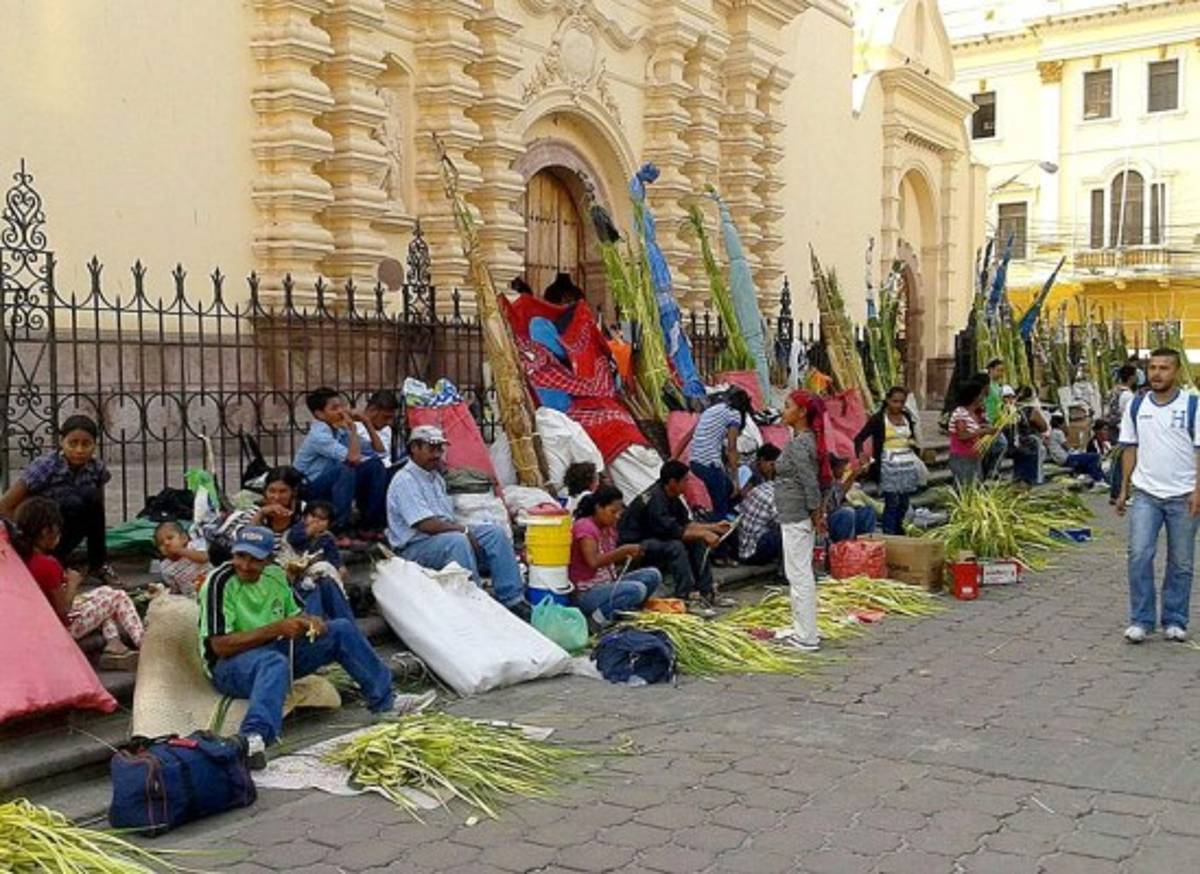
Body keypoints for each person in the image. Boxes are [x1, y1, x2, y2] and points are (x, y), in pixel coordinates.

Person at [199, 526, 428, 769]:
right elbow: (220, 646)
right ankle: (254, 740)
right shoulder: (220, 582)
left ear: (268, 559)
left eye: (255, 559)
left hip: (276, 652)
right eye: (240, 556)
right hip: (230, 667)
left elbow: (297, 613)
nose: (245, 565)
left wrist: (310, 623)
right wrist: (276, 629)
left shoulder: (275, 575)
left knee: (340, 629)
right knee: (273, 662)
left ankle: (386, 703)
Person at [386, 425, 531, 620]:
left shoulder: (435, 478)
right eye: (432, 449)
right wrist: (463, 530)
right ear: (414, 448)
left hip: (441, 538)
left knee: (494, 533)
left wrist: (465, 529)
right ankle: (476, 603)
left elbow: (448, 518)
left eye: (440, 449)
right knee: (457, 540)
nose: (437, 454)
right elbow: (425, 525)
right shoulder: (405, 480)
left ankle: (513, 599)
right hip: (414, 547)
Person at [1116, 348, 1200, 644]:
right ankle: (1141, 619)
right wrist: (1124, 489)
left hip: (1184, 496)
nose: (1157, 373)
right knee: (1139, 555)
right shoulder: (1137, 406)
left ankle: (1175, 619)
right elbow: (1130, 447)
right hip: (1146, 494)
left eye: (1164, 368)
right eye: (1152, 367)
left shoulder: (1193, 404)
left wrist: (1197, 492)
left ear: (1176, 372)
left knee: (1182, 561)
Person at [15, 497, 144, 669]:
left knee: (105, 593)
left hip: (37, 623)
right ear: (46, 531)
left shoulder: (21, 558)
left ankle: (114, 646)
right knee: (118, 597)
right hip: (58, 629)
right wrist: (73, 583)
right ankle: (145, 645)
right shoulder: (47, 565)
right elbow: (64, 611)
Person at [0, 414, 119, 585]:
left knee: (90, 498)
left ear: (94, 445)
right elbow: (5, 506)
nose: (79, 450)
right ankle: (49, 562)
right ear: (62, 443)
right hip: (39, 532)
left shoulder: (96, 468)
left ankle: (98, 564)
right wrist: (24, 542)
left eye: (86, 444)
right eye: (73, 443)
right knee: (71, 502)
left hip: (66, 531)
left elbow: (96, 510)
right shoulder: (46, 466)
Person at [617, 460, 731, 614]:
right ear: (672, 482)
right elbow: (676, 532)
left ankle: (707, 591)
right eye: (685, 481)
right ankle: (685, 596)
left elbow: (685, 524)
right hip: (636, 544)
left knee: (697, 540)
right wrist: (705, 533)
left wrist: (714, 527)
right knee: (675, 547)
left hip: (657, 537)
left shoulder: (672, 496)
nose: (687, 484)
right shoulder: (656, 500)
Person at [776, 390, 828, 652]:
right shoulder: (804, 440)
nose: (783, 411)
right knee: (798, 572)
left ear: (802, 413)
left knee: (799, 575)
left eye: (787, 406)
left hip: (796, 513)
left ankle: (806, 636)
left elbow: (809, 480)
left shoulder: (800, 444)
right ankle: (804, 627)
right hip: (795, 512)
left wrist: (816, 512)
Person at [294, 387, 386, 535]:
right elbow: (353, 459)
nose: (342, 411)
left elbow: (379, 451)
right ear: (319, 414)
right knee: (345, 469)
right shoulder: (319, 435)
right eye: (335, 408)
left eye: (342, 406)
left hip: (331, 484)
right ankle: (340, 527)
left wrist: (366, 421)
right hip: (309, 488)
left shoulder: (339, 430)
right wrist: (354, 429)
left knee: (375, 465)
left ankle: (370, 523)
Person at [568, 485, 661, 626]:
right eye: (613, 512)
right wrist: (623, 551)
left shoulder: (608, 527)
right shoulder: (585, 527)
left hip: (608, 583)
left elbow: (610, 559)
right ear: (599, 508)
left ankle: (624, 611)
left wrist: (629, 555)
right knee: (637, 589)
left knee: (653, 575)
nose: (617, 517)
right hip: (586, 592)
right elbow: (593, 561)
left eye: (619, 513)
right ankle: (595, 621)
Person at [204, 466, 305, 566]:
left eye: (283, 491)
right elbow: (243, 542)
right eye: (272, 491)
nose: (276, 497)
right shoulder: (256, 510)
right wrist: (261, 514)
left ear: (294, 491)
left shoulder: (304, 513)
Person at [854, 386, 921, 535]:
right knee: (892, 502)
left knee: (904, 503)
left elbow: (912, 438)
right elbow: (859, 439)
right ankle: (889, 534)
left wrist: (913, 444)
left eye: (901, 402)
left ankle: (899, 529)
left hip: (907, 465)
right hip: (887, 466)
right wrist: (861, 455)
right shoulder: (878, 419)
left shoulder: (907, 417)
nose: (898, 405)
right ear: (888, 400)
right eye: (895, 401)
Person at [283, 499, 356, 624]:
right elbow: (294, 539)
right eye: (312, 516)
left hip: (315, 574)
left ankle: (344, 619)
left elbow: (334, 557)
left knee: (326, 572)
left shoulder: (327, 538)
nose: (316, 521)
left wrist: (340, 567)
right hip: (293, 573)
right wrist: (309, 531)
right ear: (304, 517)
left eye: (322, 519)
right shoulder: (297, 530)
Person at [689, 389, 752, 521]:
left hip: (695, 462)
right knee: (721, 507)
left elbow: (689, 435)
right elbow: (732, 448)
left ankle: (726, 519)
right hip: (708, 463)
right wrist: (736, 481)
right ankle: (720, 533)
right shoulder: (735, 415)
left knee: (727, 490)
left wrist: (674, 457)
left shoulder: (714, 409)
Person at [738, 445, 782, 566]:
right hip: (750, 542)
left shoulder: (766, 482)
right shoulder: (751, 474)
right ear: (762, 460)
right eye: (772, 464)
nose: (774, 468)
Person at [948, 376, 994, 486]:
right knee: (965, 487)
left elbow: (972, 430)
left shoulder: (973, 413)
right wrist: (983, 432)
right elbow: (962, 435)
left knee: (975, 486)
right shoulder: (960, 412)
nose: (983, 397)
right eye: (981, 395)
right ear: (974, 397)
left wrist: (983, 428)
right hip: (962, 457)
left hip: (973, 456)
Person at [1106, 365, 1139, 502]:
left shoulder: (1114, 391)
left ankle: (1116, 492)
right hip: (1121, 430)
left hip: (1112, 427)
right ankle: (1119, 493)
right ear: (1131, 377)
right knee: (1122, 463)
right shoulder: (1128, 395)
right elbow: (1129, 415)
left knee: (1117, 461)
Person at [825, 457, 877, 543]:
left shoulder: (836, 482)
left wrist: (854, 474)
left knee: (868, 511)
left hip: (838, 515)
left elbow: (841, 493)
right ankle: (845, 548)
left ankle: (864, 547)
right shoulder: (825, 482)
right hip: (828, 521)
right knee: (847, 513)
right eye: (842, 468)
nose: (844, 470)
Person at [155, 520, 211, 597]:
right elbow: (175, 589)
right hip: (192, 597)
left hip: (211, 584)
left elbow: (204, 558)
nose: (166, 543)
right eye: (161, 543)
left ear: (184, 538)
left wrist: (180, 551)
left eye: (170, 538)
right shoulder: (165, 567)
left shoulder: (194, 546)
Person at [1046, 414, 1106, 484]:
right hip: (1066, 458)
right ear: (1060, 424)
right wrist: (1077, 452)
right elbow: (1067, 446)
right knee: (1095, 456)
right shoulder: (1058, 432)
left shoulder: (1053, 433)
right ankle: (1098, 479)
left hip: (1063, 458)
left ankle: (1098, 479)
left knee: (1090, 462)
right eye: (1064, 424)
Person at [1009, 387, 1048, 488]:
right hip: (1030, 445)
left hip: (1016, 444)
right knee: (1029, 475)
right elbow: (1044, 427)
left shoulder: (1012, 410)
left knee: (1019, 472)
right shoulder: (1031, 410)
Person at [355, 390, 400, 466]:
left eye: (392, 418)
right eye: (386, 417)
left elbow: (383, 454)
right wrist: (367, 423)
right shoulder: (355, 427)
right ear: (372, 410)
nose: (389, 423)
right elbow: (379, 455)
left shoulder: (386, 429)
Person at [982, 359, 1009, 477]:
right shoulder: (985, 384)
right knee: (1000, 444)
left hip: (997, 422)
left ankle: (992, 470)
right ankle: (990, 470)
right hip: (986, 421)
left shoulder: (998, 386)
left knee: (999, 445)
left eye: (1002, 371)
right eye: (998, 370)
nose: (1000, 373)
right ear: (991, 370)